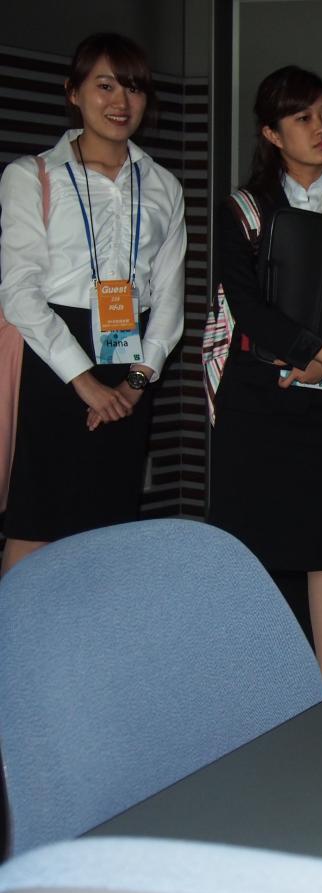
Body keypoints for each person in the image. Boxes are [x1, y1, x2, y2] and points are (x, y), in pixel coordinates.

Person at [207, 66, 322, 693]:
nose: (321, 128)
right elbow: (246, 304)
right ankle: (247, 688)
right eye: (302, 118)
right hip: (256, 399)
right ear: (271, 133)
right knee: (247, 547)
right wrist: (316, 352)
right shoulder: (243, 210)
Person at [0, 32, 185, 576]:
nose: (121, 101)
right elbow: (19, 291)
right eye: (105, 85)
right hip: (51, 359)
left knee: (111, 529)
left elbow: (170, 299)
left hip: (130, 362)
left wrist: (134, 383)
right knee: (35, 527)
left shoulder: (164, 185)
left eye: (134, 88)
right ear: (73, 92)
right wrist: (85, 382)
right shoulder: (31, 175)